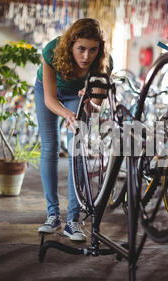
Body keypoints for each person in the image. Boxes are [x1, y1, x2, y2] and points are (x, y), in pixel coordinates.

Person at [34, 18, 111, 241]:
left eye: (93, 50)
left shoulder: (104, 63)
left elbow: (96, 109)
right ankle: (52, 215)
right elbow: (49, 99)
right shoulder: (52, 51)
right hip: (48, 93)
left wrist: (88, 103)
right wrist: (67, 114)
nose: (87, 56)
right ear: (71, 45)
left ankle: (73, 221)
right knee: (50, 147)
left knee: (76, 150)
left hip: (77, 97)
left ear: (100, 49)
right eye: (81, 49)